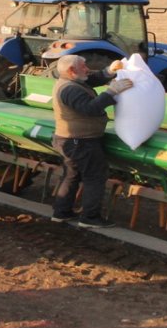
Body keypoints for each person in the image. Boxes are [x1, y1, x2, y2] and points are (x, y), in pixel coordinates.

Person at [50, 55, 132, 227]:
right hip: (81, 142)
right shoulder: (70, 89)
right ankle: (90, 218)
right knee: (95, 177)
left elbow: (91, 79)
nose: (87, 69)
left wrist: (109, 71)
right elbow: (90, 108)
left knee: (71, 175)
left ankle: (61, 213)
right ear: (72, 71)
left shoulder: (70, 82)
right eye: (83, 66)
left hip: (69, 140)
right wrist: (111, 92)